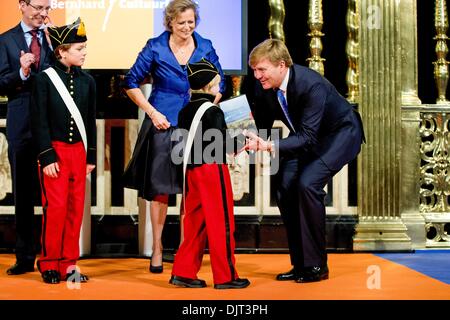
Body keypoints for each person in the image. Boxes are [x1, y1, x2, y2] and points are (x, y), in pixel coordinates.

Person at [245, 39, 365, 283]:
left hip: (341, 133)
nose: (256, 75)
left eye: (261, 69)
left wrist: (269, 146)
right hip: (309, 136)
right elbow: (263, 125)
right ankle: (301, 263)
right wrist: (243, 137)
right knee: (285, 186)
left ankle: (317, 266)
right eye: (254, 70)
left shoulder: (312, 85)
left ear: (281, 65)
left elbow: (308, 137)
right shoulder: (265, 86)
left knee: (307, 184)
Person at [122, 0, 225, 273]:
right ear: (170, 23)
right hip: (162, 123)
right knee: (161, 191)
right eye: (181, 23)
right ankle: (156, 247)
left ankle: (184, 250)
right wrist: (152, 112)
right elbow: (130, 82)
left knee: (191, 190)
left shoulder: (205, 46)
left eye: (191, 22)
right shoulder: (155, 46)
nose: (187, 27)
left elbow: (220, 82)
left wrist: (206, 105)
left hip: (196, 127)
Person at [169, 58, 249, 289]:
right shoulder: (213, 111)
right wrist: (246, 138)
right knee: (221, 223)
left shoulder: (185, 111)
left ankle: (183, 272)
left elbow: (179, 147)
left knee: (195, 223)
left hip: (191, 172)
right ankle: (226, 276)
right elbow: (224, 146)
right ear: (210, 86)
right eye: (217, 82)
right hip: (212, 170)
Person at [30, 18, 96, 284]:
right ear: (62, 51)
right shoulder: (44, 80)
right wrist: (46, 155)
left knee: (75, 209)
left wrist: (90, 156)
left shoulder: (88, 81)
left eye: (84, 48)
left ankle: (69, 263)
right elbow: (39, 120)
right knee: (55, 208)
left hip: (78, 153)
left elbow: (89, 120)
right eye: (79, 48)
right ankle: (49, 262)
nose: (84, 52)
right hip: (54, 152)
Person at [0, 0, 54, 275]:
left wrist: (58, 46)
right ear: (22, 5)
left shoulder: (53, 37)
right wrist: (21, 71)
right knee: (23, 192)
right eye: (39, 7)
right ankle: (24, 256)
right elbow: (0, 82)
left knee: (53, 195)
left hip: (52, 123)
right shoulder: (5, 41)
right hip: (21, 122)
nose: (43, 13)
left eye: (48, 8)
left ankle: (53, 256)